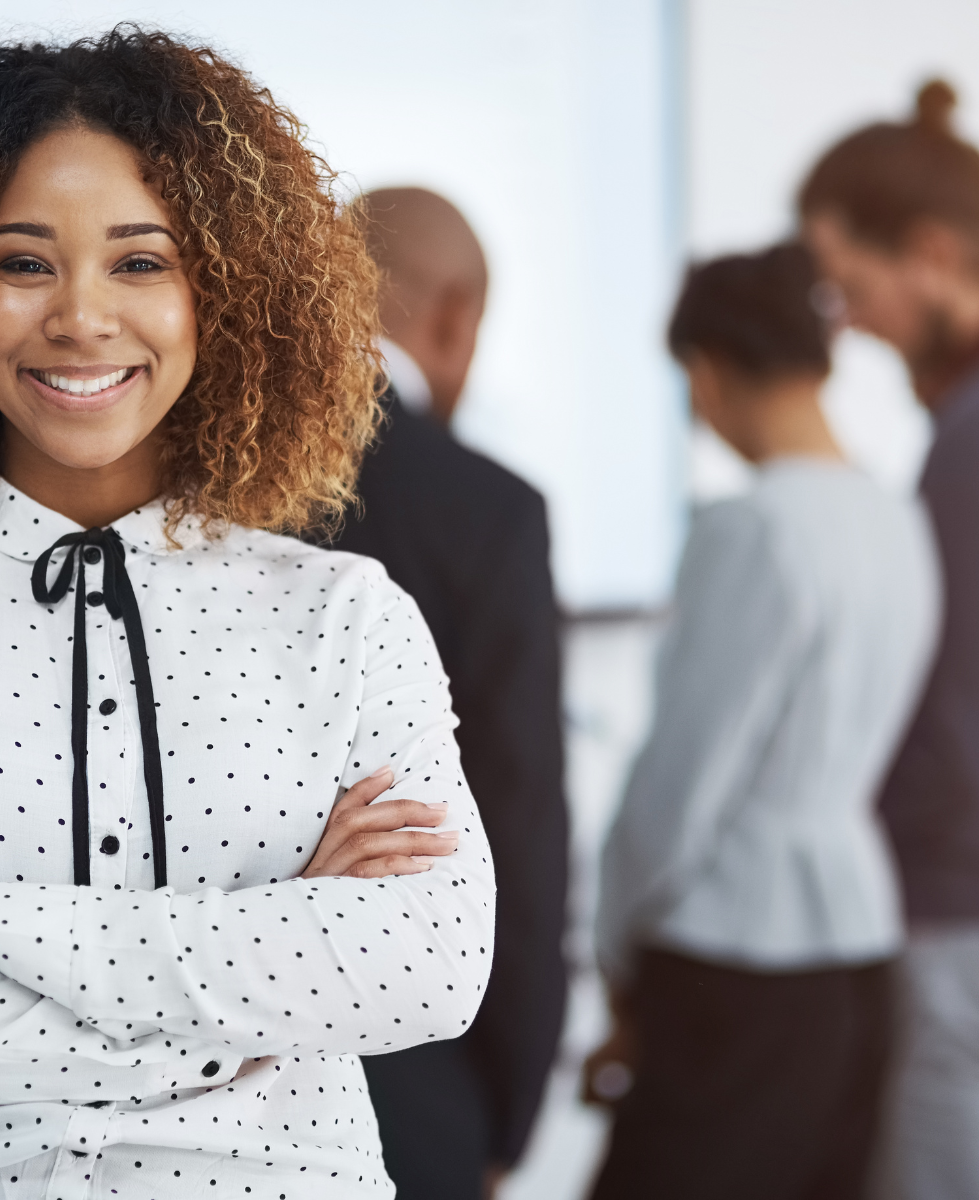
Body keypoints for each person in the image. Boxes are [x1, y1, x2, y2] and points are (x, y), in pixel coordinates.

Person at [0, 29, 496, 1199]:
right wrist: (253, 999)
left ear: (227, 289)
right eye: (22, 262)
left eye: (140, 263)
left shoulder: (344, 613)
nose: (79, 318)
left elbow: (426, 967)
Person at [585, 243, 939, 1200]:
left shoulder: (753, 528)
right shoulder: (895, 518)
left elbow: (684, 780)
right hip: (857, 948)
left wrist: (615, 946)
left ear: (705, 372)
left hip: (733, 959)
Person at [324, 188, 568, 1200]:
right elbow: (517, 821)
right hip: (416, 1069)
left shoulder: (196, 476)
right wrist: (512, 1100)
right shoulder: (490, 512)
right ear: (455, 315)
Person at [800, 80, 979, 1200]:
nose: (847, 325)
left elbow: (947, 708)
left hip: (953, 905)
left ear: (928, 252)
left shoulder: (966, 444)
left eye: (853, 289)